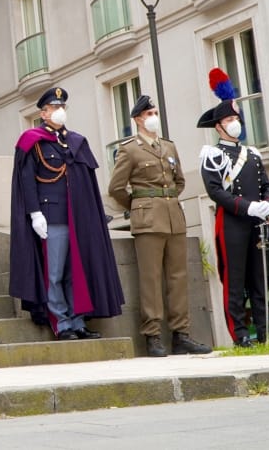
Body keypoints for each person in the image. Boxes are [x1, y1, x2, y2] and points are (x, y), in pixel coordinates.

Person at [9, 87, 124, 340]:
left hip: (79, 217)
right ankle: (61, 323)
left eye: (62, 107)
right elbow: (27, 180)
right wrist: (35, 213)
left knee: (77, 272)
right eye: (54, 107)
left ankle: (78, 321)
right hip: (53, 216)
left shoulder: (75, 141)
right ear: (43, 113)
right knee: (55, 273)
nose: (60, 111)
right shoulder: (32, 141)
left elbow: (85, 182)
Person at [108, 95, 211, 357]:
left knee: (178, 277)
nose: (154, 117)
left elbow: (179, 181)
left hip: (173, 217)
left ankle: (181, 334)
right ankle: (152, 335)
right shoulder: (129, 149)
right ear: (138, 119)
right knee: (151, 278)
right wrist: (139, 205)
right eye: (149, 113)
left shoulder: (169, 146)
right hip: (148, 219)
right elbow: (116, 187)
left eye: (155, 112)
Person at [198, 94, 269, 347]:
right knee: (234, 280)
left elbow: (267, 185)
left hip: (256, 222)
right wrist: (247, 206)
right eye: (229, 119)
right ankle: (240, 334)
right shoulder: (212, 154)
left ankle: (265, 332)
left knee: (259, 278)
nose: (235, 123)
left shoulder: (252, 154)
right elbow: (215, 191)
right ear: (218, 126)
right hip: (232, 222)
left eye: (236, 118)